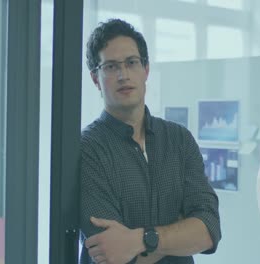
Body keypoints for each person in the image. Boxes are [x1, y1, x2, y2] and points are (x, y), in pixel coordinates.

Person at [80, 18, 221, 264]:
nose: (123, 75)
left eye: (131, 63)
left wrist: (139, 240)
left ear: (145, 70)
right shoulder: (86, 149)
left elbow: (209, 229)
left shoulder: (179, 140)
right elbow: (112, 253)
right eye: (111, 67)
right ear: (95, 79)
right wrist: (180, 232)